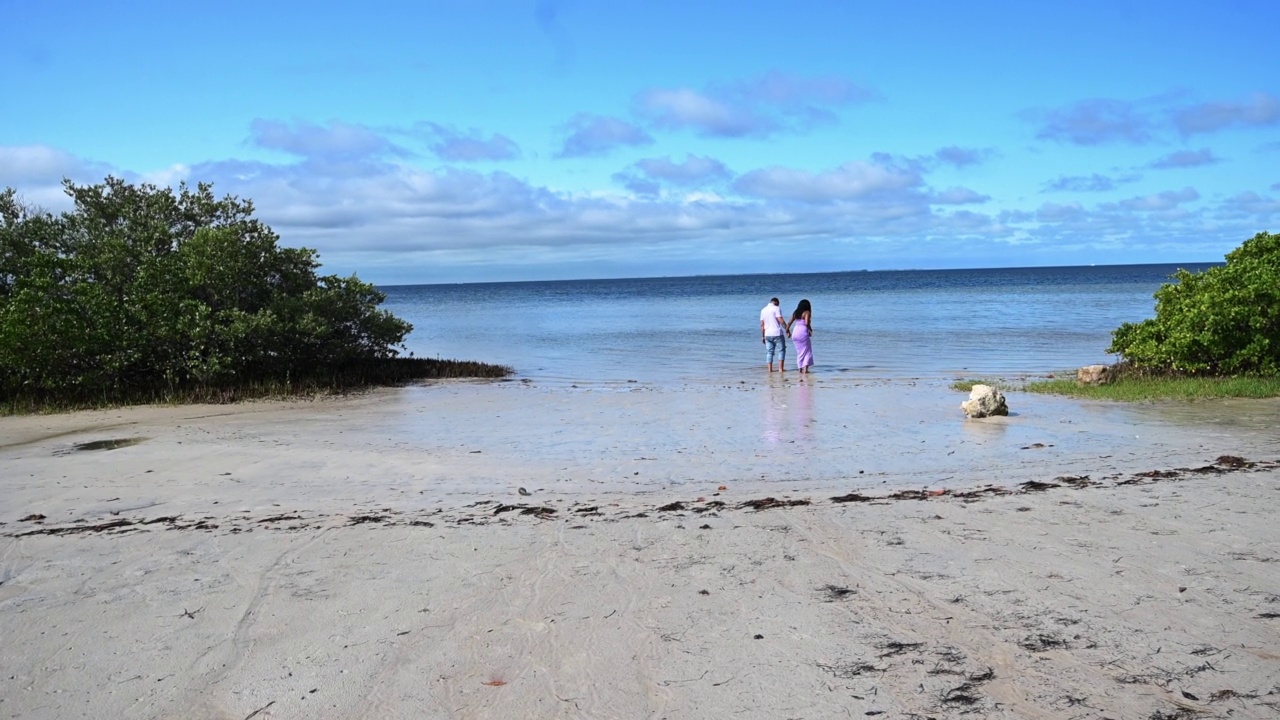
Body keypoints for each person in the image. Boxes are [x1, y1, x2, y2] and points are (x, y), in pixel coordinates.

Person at [759, 297, 787, 372]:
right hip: (777, 333)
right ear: (777, 303)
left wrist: (763, 336)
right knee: (781, 350)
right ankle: (780, 369)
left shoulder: (763, 310)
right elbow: (780, 320)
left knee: (769, 352)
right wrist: (787, 329)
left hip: (767, 334)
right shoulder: (776, 308)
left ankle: (770, 369)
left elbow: (762, 324)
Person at [788, 299, 814, 373]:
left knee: (799, 352)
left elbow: (789, 322)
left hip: (795, 333)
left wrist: (787, 330)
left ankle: (800, 369)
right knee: (807, 351)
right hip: (803, 333)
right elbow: (806, 323)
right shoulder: (807, 312)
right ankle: (805, 369)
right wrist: (810, 329)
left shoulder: (796, 313)